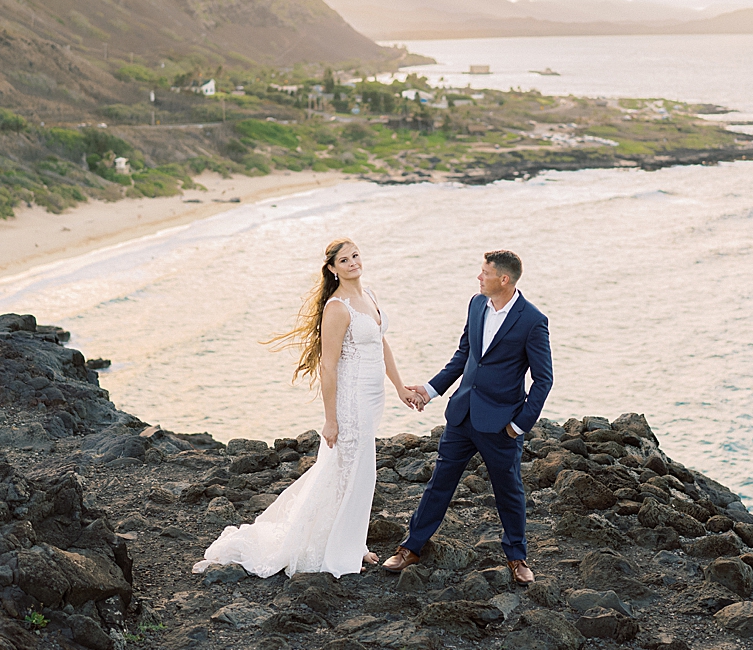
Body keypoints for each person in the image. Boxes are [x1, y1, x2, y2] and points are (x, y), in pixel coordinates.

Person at [193, 238, 423, 578]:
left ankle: (351, 542)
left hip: (373, 399)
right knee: (350, 473)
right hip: (351, 402)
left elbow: (380, 341)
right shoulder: (337, 307)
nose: (353, 263)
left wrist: (399, 386)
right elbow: (328, 367)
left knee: (356, 475)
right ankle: (339, 549)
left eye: (356, 256)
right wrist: (330, 420)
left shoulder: (369, 295)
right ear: (332, 269)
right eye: (344, 260)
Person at [382, 250, 552, 586]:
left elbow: (543, 379)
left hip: (501, 424)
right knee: (439, 483)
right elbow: (464, 355)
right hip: (462, 414)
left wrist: (518, 425)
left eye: (485, 272)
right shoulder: (476, 305)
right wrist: (430, 391)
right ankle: (411, 547)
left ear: (504, 279)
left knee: (509, 491)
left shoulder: (533, 320)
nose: (479, 277)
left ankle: (517, 557)